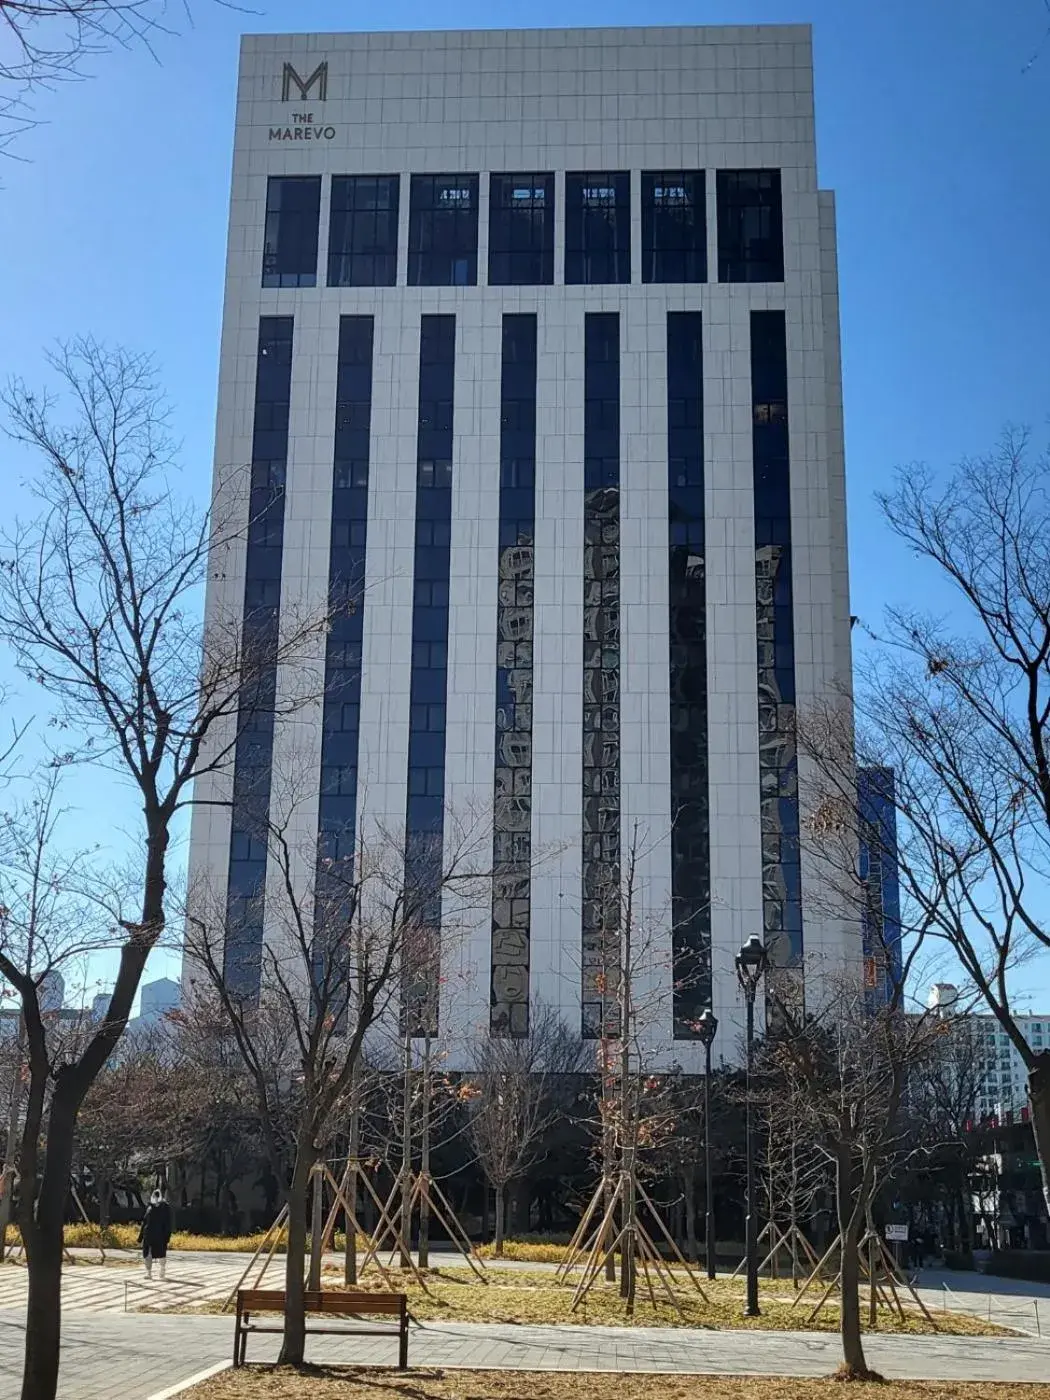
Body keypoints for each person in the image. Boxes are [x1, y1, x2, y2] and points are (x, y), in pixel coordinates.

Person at [139, 1189, 174, 1280]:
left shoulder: (165, 1208)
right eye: (154, 1196)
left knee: (161, 1254)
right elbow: (144, 1223)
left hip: (160, 1236)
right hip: (149, 1235)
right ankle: (148, 1273)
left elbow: (168, 1223)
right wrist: (140, 1237)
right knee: (147, 1254)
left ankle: (162, 1272)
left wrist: (167, 1237)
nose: (155, 1198)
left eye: (157, 1196)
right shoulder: (149, 1208)